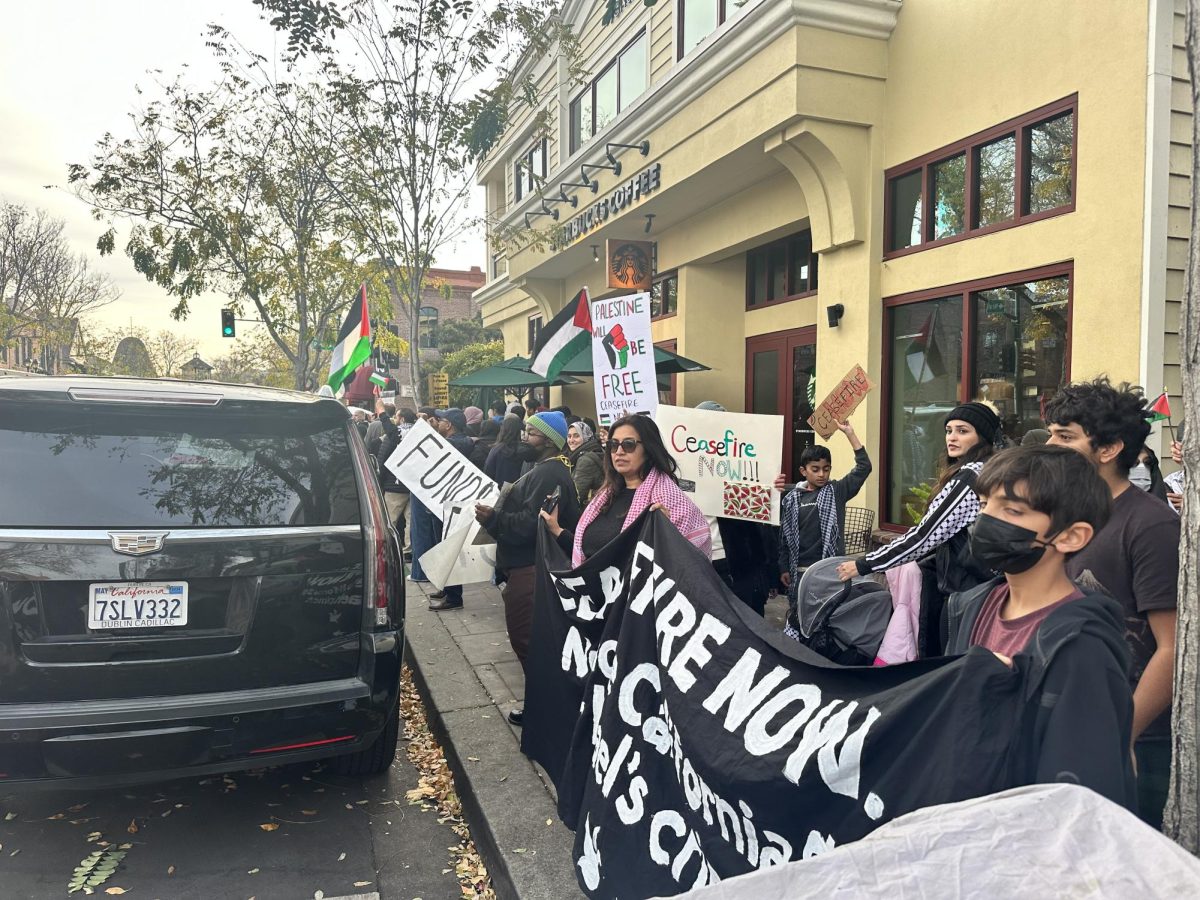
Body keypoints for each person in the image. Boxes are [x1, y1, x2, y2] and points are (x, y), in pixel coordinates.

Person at [941, 445, 1135, 810]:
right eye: (985, 505)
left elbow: (1082, 792)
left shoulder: (1082, 647)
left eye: (1012, 510)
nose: (985, 521)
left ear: (1071, 536)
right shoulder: (968, 607)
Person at [1044, 377, 1179, 829]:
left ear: (1107, 449)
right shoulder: (1068, 515)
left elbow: (1173, 648)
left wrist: (1121, 736)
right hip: (1072, 724)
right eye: (1051, 433)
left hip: (1140, 741)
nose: (1050, 445)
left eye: (1065, 436)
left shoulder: (1151, 525)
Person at [837, 402, 1003, 656]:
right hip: (985, 588)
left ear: (982, 436)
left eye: (963, 430)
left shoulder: (969, 478)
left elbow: (924, 536)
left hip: (965, 592)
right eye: (949, 430)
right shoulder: (991, 471)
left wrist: (864, 564)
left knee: (950, 667)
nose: (952, 437)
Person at [475, 412, 581, 725]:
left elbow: (529, 525)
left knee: (527, 640)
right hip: (530, 567)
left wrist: (493, 519)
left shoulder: (548, 473)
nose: (524, 437)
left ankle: (546, 708)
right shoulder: (545, 469)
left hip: (531, 569)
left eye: (531, 433)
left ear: (549, 440)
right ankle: (545, 703)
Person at [541, 414, 711, 566]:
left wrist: (665, 534)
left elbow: (688, 570)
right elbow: (593, 555)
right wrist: (557, 530)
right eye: (613, 445)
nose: (619, 451)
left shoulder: (671, 502)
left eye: (628, 445)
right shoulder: (603, 498)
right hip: (596, 598)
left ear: (649, 449)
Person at [689, 401, 780, 616]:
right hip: (697, 562)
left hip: (738, 564)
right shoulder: (682, 466)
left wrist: (769, 490)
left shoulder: (742, 465)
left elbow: (760, 523)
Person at [780, 420, 872, 623]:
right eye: (815, 469)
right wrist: (784, 567)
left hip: (829, 571)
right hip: (800, 571)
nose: (822, 474)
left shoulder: (837, 491)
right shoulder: (791, 498)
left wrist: (850, 433)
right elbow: (784, 537)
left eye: (826, 469)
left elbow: (864, 467)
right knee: (800, 618)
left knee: (827, 618)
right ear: (803, 471)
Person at [427, 408, 474, 610]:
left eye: (441, 420)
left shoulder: (455, 444)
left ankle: (454, 598)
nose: (438, 422)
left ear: (450, 425)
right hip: (447, 503)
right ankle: (446, 589)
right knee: (444, 548)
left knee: (449, 549)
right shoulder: (461, 441)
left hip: (452, 504)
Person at [566, 421, 604, 503]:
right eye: (569, 436)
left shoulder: (585, 460)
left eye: (576, 436)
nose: (571, 440)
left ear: (586, 436)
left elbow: (577, 495)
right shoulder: (593, 450)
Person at [485, 414, 525, 486]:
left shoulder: (496, 450)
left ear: (502, 430)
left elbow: (488, 472)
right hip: (519, 491)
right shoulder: (525, 450)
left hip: (499, 491)